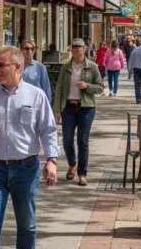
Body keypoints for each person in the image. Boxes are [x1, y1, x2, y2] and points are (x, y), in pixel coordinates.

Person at [0, 47, 60, 249]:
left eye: (2, 65)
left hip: (26, 168)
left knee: (27, 226)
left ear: (18, 67)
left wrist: (51, 160)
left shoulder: (35, 96)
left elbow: (48, 130)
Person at [52, 38, 105, 186]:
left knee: (83, 141)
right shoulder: (65, 68)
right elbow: (60, 89)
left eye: (79, 47)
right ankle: (72, 163)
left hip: (86, 107)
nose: (76, 49)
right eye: (73, 47)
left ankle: (82, 174)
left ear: (84, 49)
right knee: (67, 140)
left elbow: (100, 87)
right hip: (68, 107)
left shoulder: (92, 67)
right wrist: (57, 110)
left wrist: (87, 85)